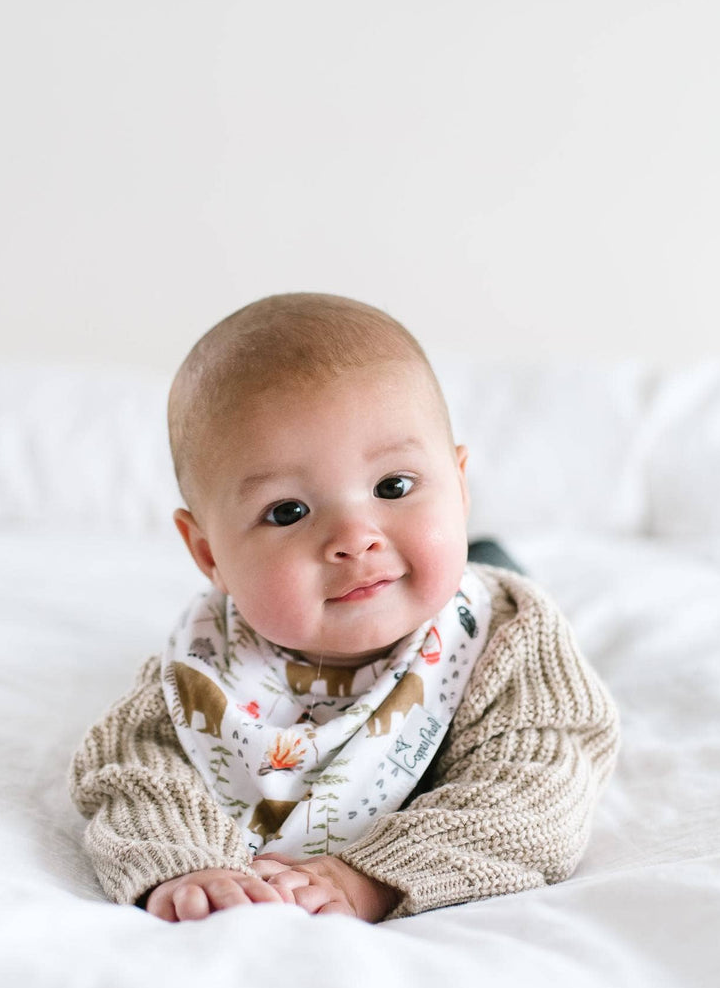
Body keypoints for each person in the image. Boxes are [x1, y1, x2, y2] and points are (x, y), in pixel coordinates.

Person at [68, 292, 619, 923]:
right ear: (209, 554)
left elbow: (535, 792)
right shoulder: (204, 667)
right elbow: (135, 775)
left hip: (468, 603)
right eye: (288, 512)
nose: (355, 538)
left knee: (497, 572)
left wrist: (370, 876)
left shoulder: (509, 638)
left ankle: (486, 552)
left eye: (393, 486)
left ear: (460, 487)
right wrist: (185, 862)